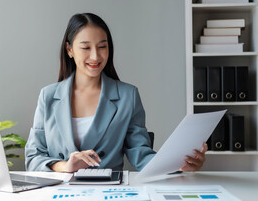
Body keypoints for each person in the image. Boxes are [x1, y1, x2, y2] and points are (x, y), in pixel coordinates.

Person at [25, 13, 207, 172]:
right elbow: (33, 158)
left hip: (107, 190)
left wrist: (178, 164)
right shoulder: (48, 96)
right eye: (86, 47)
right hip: (58, 192)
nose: (95, 56)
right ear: (69, 50)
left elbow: (141, 155)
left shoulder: (128, 95)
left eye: (102, 46)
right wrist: (65, 166)